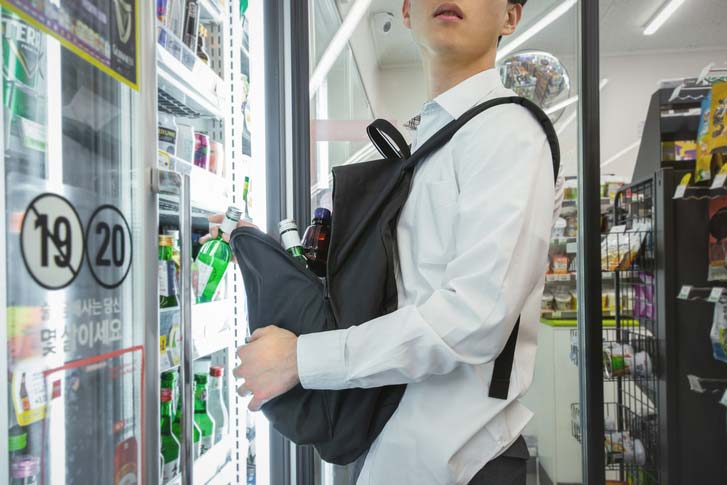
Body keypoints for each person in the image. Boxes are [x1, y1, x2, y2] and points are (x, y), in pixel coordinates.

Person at [210, 0, 564, 483]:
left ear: (510, 17)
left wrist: (301, 359)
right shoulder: (429, 140)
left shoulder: (507, 131)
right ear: (407, 11)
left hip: (460, 463)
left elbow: (475, 318)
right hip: (401, 451)